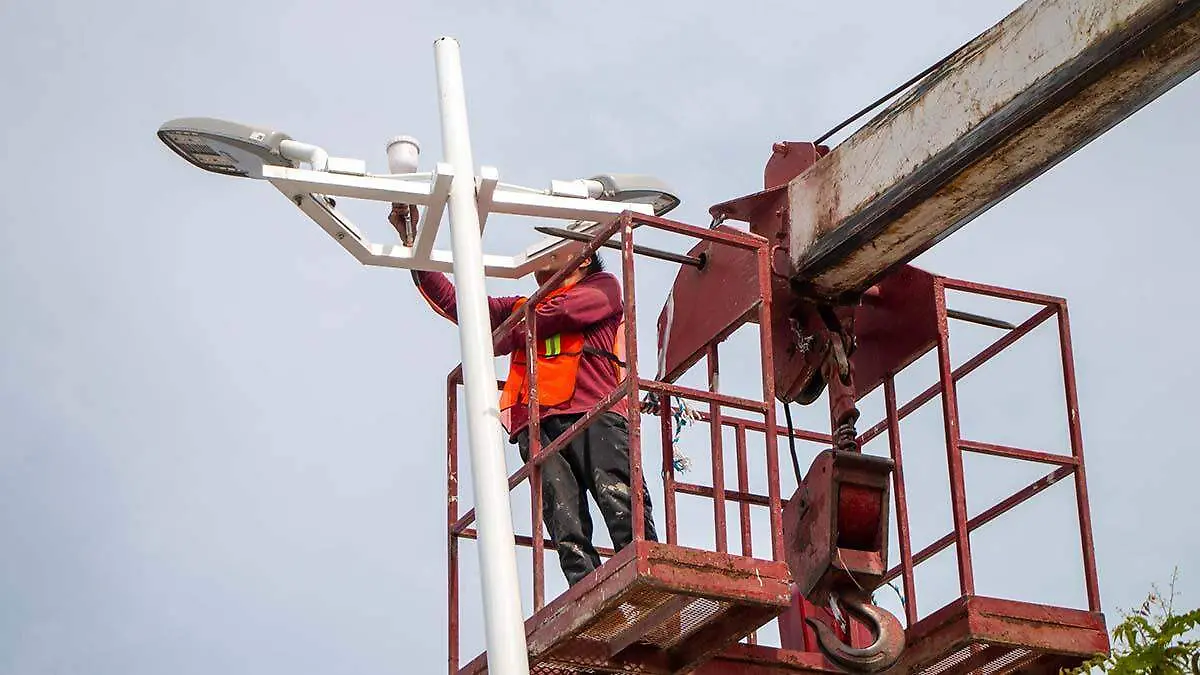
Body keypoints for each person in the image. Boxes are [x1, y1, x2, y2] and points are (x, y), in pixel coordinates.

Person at [390, 204, 658, 587]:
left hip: (596, 416)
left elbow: (556, 316)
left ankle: (644, 581)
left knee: (620, 503)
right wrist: (416, 248)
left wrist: (502, 332)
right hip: (540, 426)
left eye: (556, 248)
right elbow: (460, 306)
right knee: (565, 524)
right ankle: (587, 591)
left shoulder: (602, 287)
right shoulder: (525, 308)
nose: (542, 255)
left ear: (581, 258)